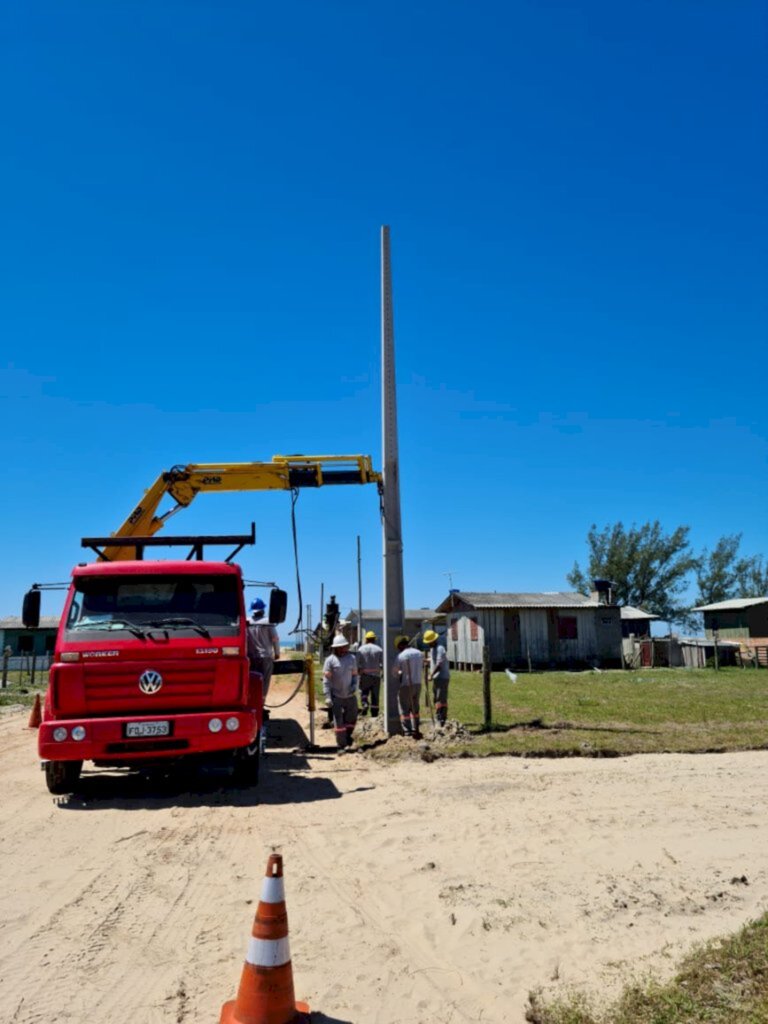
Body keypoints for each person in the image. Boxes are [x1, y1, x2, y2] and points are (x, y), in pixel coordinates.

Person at [246, 598, 281, 752]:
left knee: (252, 685)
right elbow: (275, 639)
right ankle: (261, 707)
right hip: (265, 657)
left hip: (251, 657)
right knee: (263, 686)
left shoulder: (247, 621)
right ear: (263, 609)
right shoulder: (268, 621)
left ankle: (254, 706)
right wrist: (277, 653)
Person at [323, 634, 359, 751]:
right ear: (336, 648)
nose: (344, 649)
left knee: (352, 718)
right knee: (338, 722)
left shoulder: (352, 659)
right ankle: (342, 744)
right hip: (336, 696)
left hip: (350, 696)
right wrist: (327, 696)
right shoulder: (330, 661)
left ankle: (348, 737)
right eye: (342, 647)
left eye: (345, 646)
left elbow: (354, 676)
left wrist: (354, 686)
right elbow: (326, 681)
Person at [394, 635, 423, 738]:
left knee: (404, 709)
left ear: (401, 645)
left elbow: (395, 673)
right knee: (415, 708)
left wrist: (399, 673)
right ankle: (416, 728)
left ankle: (408, 731)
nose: (398, 649)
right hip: (418, 683)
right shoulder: (419, 653)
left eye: (398, 647)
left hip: (406, 685)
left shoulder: (401, 656)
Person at [423, 629, 450, 726]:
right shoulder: (433, 649)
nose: (428, 644)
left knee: (441, 699)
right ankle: (438, 716)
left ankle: (442, 719)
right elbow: (434, 659)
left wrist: (431, 674)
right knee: (436, 698)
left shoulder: (440, 648)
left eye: (429, 642)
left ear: (433, 640)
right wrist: (427, 660)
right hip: (437, 678)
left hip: (442, 677)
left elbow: (439, 664)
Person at [356, 629, 383, 717]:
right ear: (374, 639)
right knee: (375, 696)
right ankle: (374, 714)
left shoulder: (361, 649)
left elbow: (357, 663)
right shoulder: (379, 649)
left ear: (366, 639)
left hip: (365, 676)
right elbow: (383, 663)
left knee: (364, 692)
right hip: (376, 676)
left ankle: (364, 704)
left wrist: (358, 672)